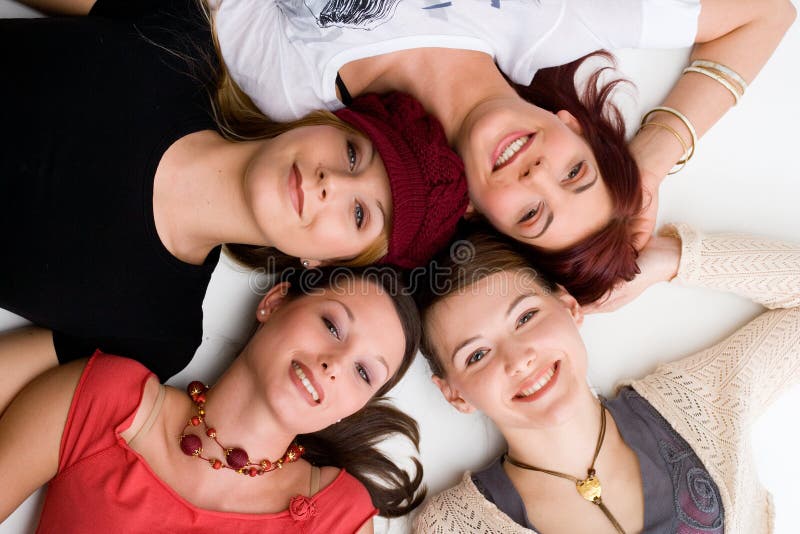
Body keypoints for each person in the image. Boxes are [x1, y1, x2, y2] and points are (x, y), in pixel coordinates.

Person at [0, 0, 468, 410]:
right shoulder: (179, 35)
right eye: (353, 153)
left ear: (324, 263)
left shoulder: (157, 335)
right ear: (327, 122)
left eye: (360, 214)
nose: (333, 184)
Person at [205, 0, 795, 303]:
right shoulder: (555, 19)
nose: (538, 173)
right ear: (573, 125)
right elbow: (768, 12)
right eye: (575, 172)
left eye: (532, 212)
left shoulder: (303, 102)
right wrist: (649, 162)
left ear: (476, 213)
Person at [413, 222, 800, 533]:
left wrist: (665, 261)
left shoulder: (696, 401)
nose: (519, 360)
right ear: (455, 395)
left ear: (569, 308)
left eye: (526, 317)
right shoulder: (453, 526)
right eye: (477, 355)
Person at [0, 267, 425, 532]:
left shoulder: (339, 519)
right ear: (274, 303)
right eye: (332, 326)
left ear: (354, 408)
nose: (334, 364)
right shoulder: (105, 400)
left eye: (363, 373)